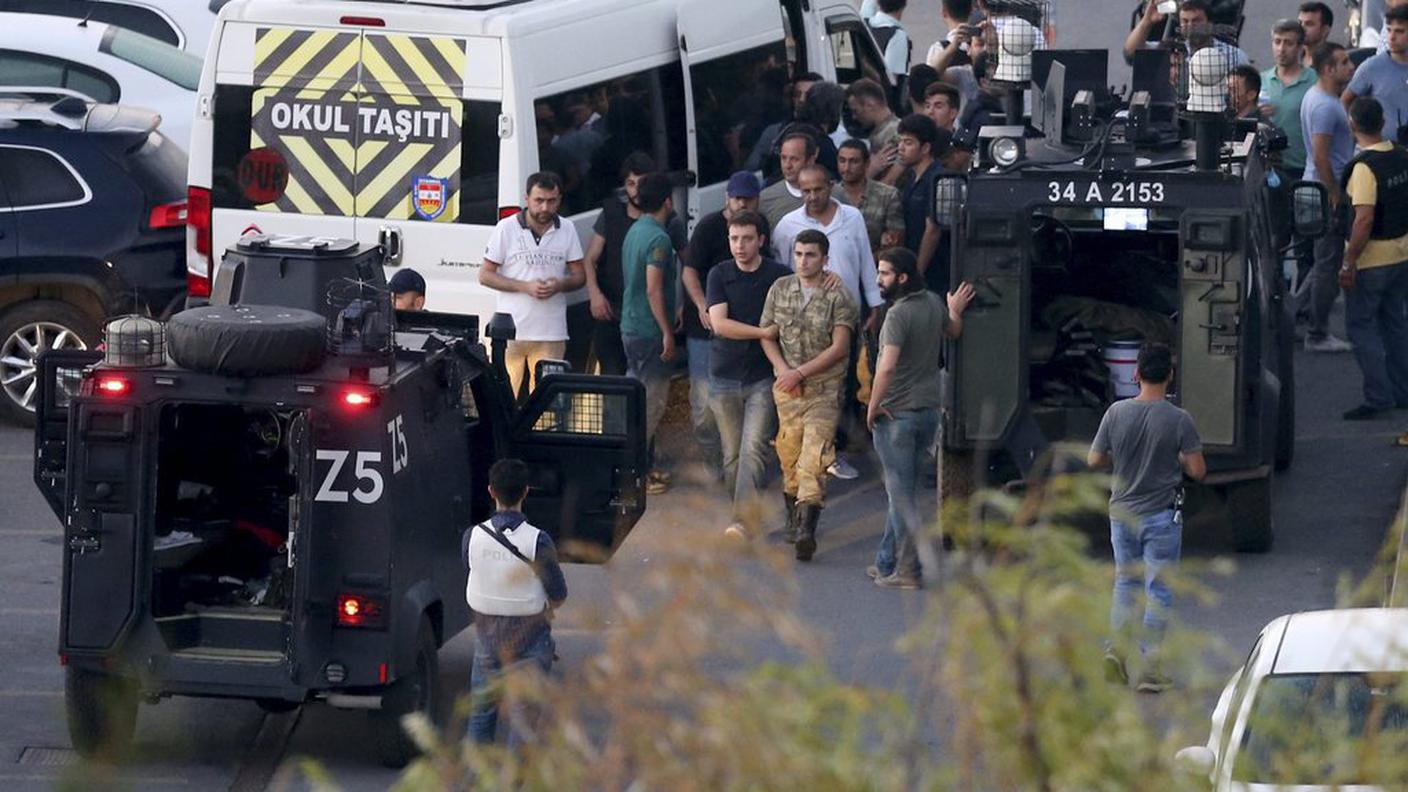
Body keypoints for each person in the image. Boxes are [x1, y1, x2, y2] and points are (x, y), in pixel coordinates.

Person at [1087, 344, 1205, 694]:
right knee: (1159, 588)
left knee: (1126, 583)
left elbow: (1095, 460)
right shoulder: (1179, 419)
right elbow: (1198, 470)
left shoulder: (1115, 413)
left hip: (1122, 514)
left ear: (1136, 374)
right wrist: (1179, 459)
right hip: (1161, 516)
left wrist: (1120, 460)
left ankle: (1116, 652)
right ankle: (1151, 666)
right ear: (1170, 376)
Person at [866, 248, 973, 591]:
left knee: (901, 497)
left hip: (895, 413)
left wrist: (872, 405)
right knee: (901, 492)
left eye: (884, 274)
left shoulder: (897, 316)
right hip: (928, 412)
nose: (878, 279)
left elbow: (887, 366)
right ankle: (886, 562)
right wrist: (954, 310)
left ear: (902, 278)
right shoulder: (930, 302)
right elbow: (954, 331)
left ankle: (910, 569)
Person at [760, 230, 859, 561]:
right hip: (787, 390)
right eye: (799, 254)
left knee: (813, 458)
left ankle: (807, 529)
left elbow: (841, 347)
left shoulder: (837, 296)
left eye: (811, 255)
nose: (803, 261)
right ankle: (793, 516)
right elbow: (768, 335)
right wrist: (783, 371)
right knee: (789, 455)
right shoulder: (780, 289)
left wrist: (800, 372)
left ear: (825, 259)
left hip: (824, 389)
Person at [464, 458, 567, 745]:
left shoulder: (472, 537)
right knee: (523, 722)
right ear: (526, 492)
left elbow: (472, 570)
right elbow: (558, 594)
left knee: (481, 714)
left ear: (490, 491)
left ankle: (474, 780)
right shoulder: (538, 541)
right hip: (530, 637)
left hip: (486, 635)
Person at [706, 212, 791, 540]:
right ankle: (742, 511)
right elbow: (719, 323)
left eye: (746, 238)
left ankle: (740, 522)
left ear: (761, 241)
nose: (739, 245)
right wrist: (762, 332)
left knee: (754, 448)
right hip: (724, 375)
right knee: (732, 455)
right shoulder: (719, 274)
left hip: (761, 377)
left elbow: (805, 290)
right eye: (733, 238)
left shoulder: (779, 275)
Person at [570, 153, 689, 378]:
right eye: (630, 183)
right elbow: (590, 258)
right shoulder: (612, 214)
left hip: (647, 319)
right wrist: (594, 294)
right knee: (614, 377)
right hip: (612, 311)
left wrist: (685, 302)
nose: (635, 191)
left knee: (645, 382)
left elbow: (689, 263)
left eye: (641, 184)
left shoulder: (668, 222)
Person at [681, 172, 767, 478]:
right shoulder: (709, 227)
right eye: (736, 197)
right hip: (705, 328)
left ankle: (740, 469)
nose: (741, 202)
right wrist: (702, 304)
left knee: (747, 403)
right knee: (703, 407)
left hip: (745, 333)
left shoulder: (760, 228)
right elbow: (689, 271)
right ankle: (713, 458)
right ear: (726, 198)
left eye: (747, 198)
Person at [480, 172, 585, 398]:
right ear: (526, 199)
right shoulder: (506, 228)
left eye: (551, 201)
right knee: (503, 398)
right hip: (509, 331)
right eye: (539, 201)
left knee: (546, 403)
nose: (545, 208)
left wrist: (559, 285)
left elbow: (579, 276)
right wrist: (524, 287)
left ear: (559, 200)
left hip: (551, 331)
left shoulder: (567, 229)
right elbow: (485, 275)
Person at [1339, 97, 1408, 421]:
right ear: (1381, 122)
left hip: (1372, 261)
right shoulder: (1401, 156)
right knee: (1395, 324)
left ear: (1353, 125)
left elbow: (1363, 218)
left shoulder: (1364, 167)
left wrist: (1349, 260)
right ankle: (1402, 390)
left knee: (1362, 327)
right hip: (1401, 254)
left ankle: (1378, 396)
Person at [620, 172, 680, 495]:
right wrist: (667, 332)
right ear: (668, 201)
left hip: (630, 326)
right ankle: (634, 475)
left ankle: (638, 468)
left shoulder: (635, 230)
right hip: (648, 330)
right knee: (651, 405)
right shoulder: (659, 239)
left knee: (636, 400)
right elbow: (654, 288)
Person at [1302, 42, 1357, 353]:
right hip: (1325, 191)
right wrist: (1335, 193)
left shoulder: (1321, 97)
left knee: (1322, 260)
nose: (1350, 67)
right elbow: (1322, 156)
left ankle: (1300, 312)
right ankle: (1317, 332)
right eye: (1344, 62)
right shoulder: (1324, 105)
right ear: (1327, 69)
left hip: (1319, 187)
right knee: (1328, 262)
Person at [894, 114, 950, 293]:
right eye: (900, 141)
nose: (901, 148)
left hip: (934, 273)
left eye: (908, 143)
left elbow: (932, 230)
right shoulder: (910, 178)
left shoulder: (937, 179)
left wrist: (917, 273)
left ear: (925, 148)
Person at [1343, 5, 1408, 142]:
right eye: (1389, 30)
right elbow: (1345, 101)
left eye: (1399, 31)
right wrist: (1358, 135)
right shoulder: (1372, 67)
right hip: (1383, 152)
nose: (1392, 37)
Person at [1123, 0, 1250, 68]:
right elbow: (1131, 54)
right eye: (1185, 21)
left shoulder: (1233, 56)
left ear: (1209, 23)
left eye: (1196, 21)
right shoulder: (1169, 50)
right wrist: (1147, 21)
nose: (1190, 26)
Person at [1262, 19, 1315, 177]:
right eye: (1277, 42)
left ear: (1300, 47)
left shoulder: (1314, 81)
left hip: (1302, 168)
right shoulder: (1261, 80)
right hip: (1268, 167)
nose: (1281, 49)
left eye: (1288, 43)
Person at [835, 139, 906, 255]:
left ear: (867, 163)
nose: (847, 168)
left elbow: (896, 241)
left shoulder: (887, 195)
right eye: (842, 161)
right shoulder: (830, 195)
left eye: (854, 162)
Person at [845, 79, 902, 182]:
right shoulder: (882, 131)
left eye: (856, 110)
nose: (854, 117)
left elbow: (890, 181)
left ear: (870, 105)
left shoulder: (893, 133)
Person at [759, 132, 818, 229]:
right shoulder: (766, 199)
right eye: (783, 158)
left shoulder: (835, 194)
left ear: (810, 160)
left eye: (794, 159)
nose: (787, 165)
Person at [865, 0, 912, 83]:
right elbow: (891, 80)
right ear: (904, 5)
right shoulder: (897, 36)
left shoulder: (865, 24)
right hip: (880, 93)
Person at [1297, 2, 1333, 66]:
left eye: (1309, 24)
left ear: (1324, 30)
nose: (1301, 28)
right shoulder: (1293, 59)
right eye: (1300, 23)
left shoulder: (1333, 62)